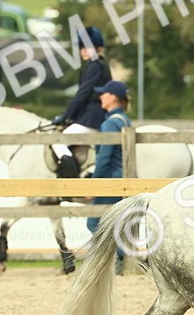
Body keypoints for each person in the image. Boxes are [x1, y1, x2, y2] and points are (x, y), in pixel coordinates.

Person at [52, 26, 111, 178]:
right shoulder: (98, 64)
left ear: (98, 48)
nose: (84, 51)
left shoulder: (95, 66)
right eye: (81, 47)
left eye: (88, 47)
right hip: (89, 116)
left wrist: (65, 116)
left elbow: (82, 95)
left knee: (57, 142)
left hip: (92, 118)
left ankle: (75, 185)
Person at [87, 80, 133, 272]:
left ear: (113, 97)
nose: (101, 97)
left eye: (104, 94)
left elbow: (104, 158)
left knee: (93, 221)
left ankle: (115, 261)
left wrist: (92, 185)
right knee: (117, 222)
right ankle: (118, 260)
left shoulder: (109, 124)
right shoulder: (124, 120)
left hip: (111, 180)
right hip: (124, 178)